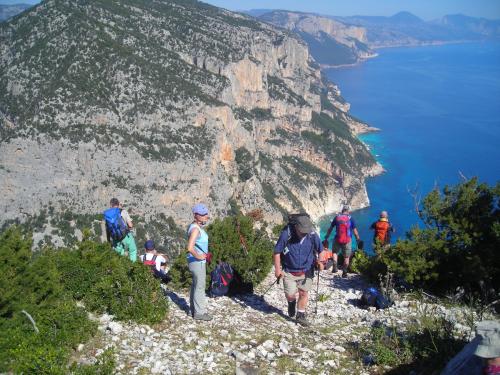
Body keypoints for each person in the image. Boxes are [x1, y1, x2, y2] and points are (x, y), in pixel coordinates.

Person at [274, 214, 323, 327]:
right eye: (302, 231)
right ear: (296, 227)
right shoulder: (286, 234)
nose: (304, 233)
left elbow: (321, 250)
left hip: (307, 270)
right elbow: (277, 252)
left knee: (303, 292)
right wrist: (277, 269)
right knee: (290, 294)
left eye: (306, 230)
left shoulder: (312, 235)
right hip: (289, 270)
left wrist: (321, 262)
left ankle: (300, 315)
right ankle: (291, 303)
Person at [186, 203, 212, 321]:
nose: (205, 216)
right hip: (197, 262)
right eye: (202, 214)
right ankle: (199, 312)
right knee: (200, 286)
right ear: (196, 215)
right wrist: (199, 256)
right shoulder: (196, 229)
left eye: (206, 213)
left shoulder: (193, 226)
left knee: (196, 285)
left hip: (193, 261)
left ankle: (193, 309)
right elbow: (190, 247)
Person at [323, 205, 361, 278]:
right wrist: (358, 239)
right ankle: (345, 272)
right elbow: (355, 231)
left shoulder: (337, 217)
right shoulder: (351, 219)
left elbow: (330, 228)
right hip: (347, 240)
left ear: (342, 210)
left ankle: (334, 267)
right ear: (348, 211)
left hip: (337, 238)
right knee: (346, 257)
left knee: (334, 252)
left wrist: (327, 237)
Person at [104, 198, 137, 262]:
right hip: (126, 236)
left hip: (116, 239)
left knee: (118, 256)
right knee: (133, 251)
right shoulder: (123, 211)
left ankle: (120, 270)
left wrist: (109, 241)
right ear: (118, 204)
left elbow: (108, 229)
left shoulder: (108, 215)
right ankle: (134, 268)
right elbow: (130, 225)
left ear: (110, 205)